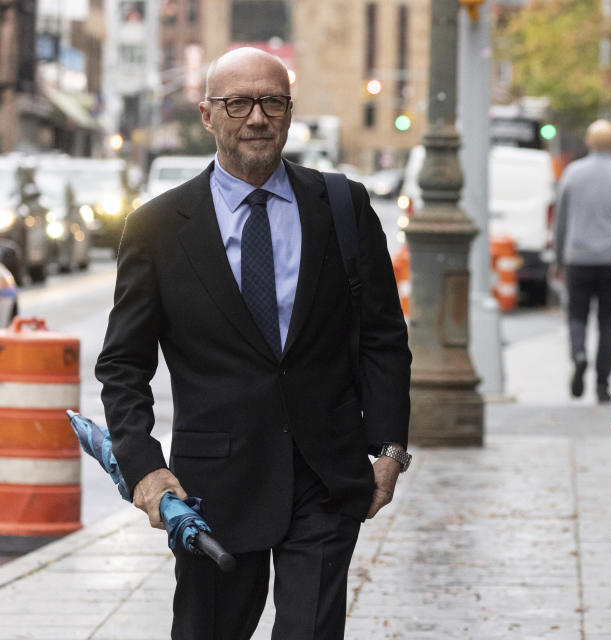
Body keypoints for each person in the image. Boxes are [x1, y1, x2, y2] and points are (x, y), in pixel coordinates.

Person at [95, 48, 412, 639]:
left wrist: (391, 450)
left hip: (326, 478)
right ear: (208, 115)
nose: (257, 117)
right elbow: (122, 364)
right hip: (212, 491)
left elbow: (384, 338)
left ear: (290, 113)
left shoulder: (343, 206)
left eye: (272, 102)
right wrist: (144, 468)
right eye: (237, 103)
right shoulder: (158, 227)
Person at [552, 119, 611, 403]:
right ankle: (602, 385)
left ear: (589, 142)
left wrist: (557, 259)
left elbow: (560, 221)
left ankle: (579, 354)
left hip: (578, 257)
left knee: (576, 316)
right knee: (607, 323)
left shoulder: (572, 174)